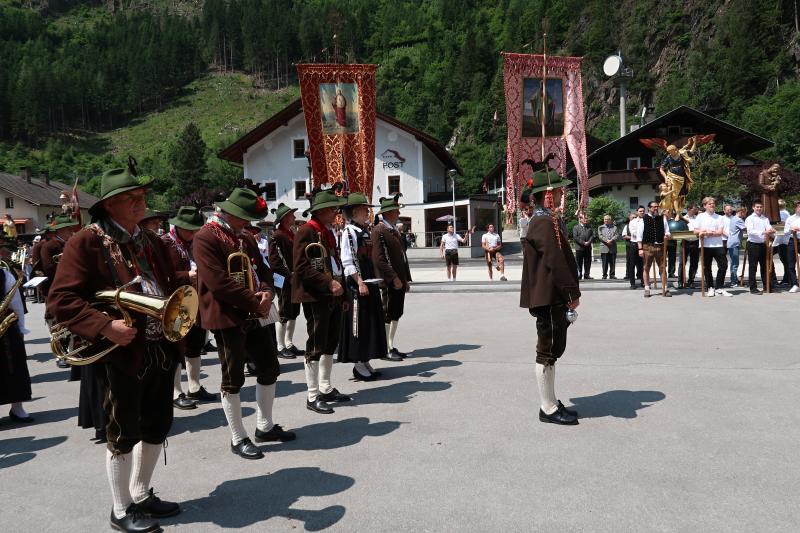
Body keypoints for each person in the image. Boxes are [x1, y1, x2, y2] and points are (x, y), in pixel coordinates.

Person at [48, 167, 183, 532]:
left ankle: (141, 494)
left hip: (160, 344)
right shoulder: (86, 241)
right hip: (119, 351)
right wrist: (106, 325)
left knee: (158, 423)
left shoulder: (151, 240)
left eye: (141, 194)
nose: (141, 201)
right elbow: (60, 300)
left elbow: (166, 284)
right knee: (122, 431)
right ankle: (121, 510)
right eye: (130, 197)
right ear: (109, 204)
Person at [194, 188, 293, 460]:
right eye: (245, 218)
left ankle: (265, 426)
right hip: (227, 316)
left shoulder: (245, 237)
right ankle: (238, 437)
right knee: (233, 377)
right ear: (231, 213)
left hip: (254, 311)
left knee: (270, 367)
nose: (248, 223)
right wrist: (255, 300)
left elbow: (262, 270)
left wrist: (267, 292)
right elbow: (217, 282)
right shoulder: (205, 237)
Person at [518, 169, 580, 425]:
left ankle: (551, 401)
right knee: (547, 351)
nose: (561, 193)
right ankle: (547, 407)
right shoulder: (542, 221)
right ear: (547, 195)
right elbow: (554, 260)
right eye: (557, 190)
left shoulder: (546, 218)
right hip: (550, 295)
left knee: (551, 352)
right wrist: (571, 292)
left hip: (551, 295)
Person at [294, 188, 350, 414]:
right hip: (316, 296)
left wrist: (343, 293)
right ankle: (312, 394)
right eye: (333, 209)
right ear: (323, 211)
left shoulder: (326, 231)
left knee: (330, 343)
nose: (336, 212)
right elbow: (301, 267)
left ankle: (325, 388)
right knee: (316, 344)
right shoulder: (306, 231)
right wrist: (328, 284)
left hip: (332, 294)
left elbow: (335, 263)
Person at [162, 206, 216, 409]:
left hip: (194, 300)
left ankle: (194, 386)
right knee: (177, 347)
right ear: (179, 226)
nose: (193, 233)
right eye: (190, 229)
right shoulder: (165, 243)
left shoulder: (194, 242)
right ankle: (176, 392)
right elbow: (162, 276)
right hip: (175, 301)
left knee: (194, 346)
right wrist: (187, 276)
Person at [339, 193, 388, 381]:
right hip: (357, 284)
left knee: (370, 321)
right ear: (355, 211)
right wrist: (359, 281)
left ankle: (365, 359)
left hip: (369, 281)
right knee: (358, 323)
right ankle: (358, 363)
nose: (367, 211)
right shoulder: (348, 232)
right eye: (364, 209)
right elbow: (347, 260)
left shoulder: (365, 230)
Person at [372, 194, 413, 361]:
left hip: (398, 279)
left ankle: (390, 345)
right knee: (388, 313)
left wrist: (405, 279)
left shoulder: (392, 229)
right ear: (388, 212)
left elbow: (402, 257)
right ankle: (385, 348)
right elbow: (379, 259)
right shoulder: (379, 230)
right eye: (396, 210)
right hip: (389, 281)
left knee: (396, 312)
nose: (398, 213)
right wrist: (394, 278)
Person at [41, 215, 80, 369]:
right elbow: (48, 269)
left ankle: (74, 353)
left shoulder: (70, 243)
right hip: (56, 290)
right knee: (58, 324)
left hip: (73, 288)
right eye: (68, 229)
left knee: (73, 323)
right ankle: (61, 355)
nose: (71, 231)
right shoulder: (49, 246)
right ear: (61, 230)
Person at [0, 241, 33, 424]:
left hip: (5, 329)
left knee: (14, 369)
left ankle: (17, 408)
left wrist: (20, 327)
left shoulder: (4, 275)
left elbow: (16, 304)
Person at [269, 203, 304, 359]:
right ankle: (280, 345)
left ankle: (289, 343)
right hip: (283, 279)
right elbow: (276, 261)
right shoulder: (277, 235)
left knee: (293, 311)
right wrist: (289, 276)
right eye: (291, 215)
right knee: (283, 311)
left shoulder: (290, 233)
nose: (294, 217)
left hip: (293, 278)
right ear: (284, 219)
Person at [691, 197, 731, 297]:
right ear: (704, 206)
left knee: (723, 265)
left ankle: (718, 287)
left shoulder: (719, 217)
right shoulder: (700, 217)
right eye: (709, 204)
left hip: (718, 245)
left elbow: (720, 232)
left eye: (713, 204)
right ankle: (710, 287)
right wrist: (702, 232)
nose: (712, 205)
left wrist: (709, 232)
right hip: (705, 245)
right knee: (706, 267)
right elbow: (695, 231)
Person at [636, 201, 672, 298]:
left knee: (663, 267)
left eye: (657, 207)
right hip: (648, 246)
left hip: (660, 246)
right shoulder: (643, 219)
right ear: (649, 208)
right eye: (654, 207)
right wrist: (640, 249)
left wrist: (667, 235)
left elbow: (667, 231)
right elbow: (639, 236)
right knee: (646, 267)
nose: (656, 208)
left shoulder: (662, 218)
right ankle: (647, 288)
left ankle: (665, 288)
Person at [744, 201, 775, 294]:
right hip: (753, 244)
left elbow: (768, 228)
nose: (759, 208)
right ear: (753, 207)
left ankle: (767, 286)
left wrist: (771, 230)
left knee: (764, 266)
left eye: (761, 207)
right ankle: (753, 288)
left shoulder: (765, 218)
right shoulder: (749, 218)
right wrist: (763, 232)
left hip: (763, 244)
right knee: (753, 267)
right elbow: (750, 231)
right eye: (757, 207)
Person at [678, 205, 700, 289]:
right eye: (694, 209)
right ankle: (680, 281)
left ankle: (691, 281)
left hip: (695, 241)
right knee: (682, 263)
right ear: (688, 209)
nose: (695, 210)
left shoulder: (698, 218)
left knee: (694, 263)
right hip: (685, 242)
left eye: (696, 209)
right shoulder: (682, 218)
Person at [727, 206, 747, 287]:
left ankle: (734, 280)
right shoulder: (739, 220)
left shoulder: (733, 218)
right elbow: (746, 229)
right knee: (735, 263)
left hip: (732, 242)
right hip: (734, 243)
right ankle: (734, 281)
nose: (745, 215)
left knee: (733, 263)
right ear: (741, 212)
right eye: (745, 213)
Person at [784, 200, 800, 293]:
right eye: (798, 207)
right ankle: (794, 284)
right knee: (791, 263)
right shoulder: (790, 218)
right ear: (796, 208)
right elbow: (785, 231)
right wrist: (791, 229)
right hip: (792, 240)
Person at [627, 207, 645, 289]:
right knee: (632, 264)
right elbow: (633, 233)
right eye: (640, 211)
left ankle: (643, 281)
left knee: (642, 265)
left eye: (643, 211)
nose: (642, 212)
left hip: (644, 245)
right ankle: (632, 283)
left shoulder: (646, 220)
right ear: (637, 212)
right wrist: (642, 235)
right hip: (634, 244)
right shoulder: (633, 222)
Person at [572, 214, 594, 280]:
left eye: (587, 218)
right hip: (579, 248)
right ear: (580, 219)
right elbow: (575, 237)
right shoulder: (576, 227)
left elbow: (592, 236)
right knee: (579, 262)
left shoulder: (589, 227)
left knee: (588, 261)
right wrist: (583, 242)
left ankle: (587, 275)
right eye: (584, 218)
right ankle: (579, 275)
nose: (586, 220)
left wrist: (588, 242)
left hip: (588, 247)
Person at [597, 214, 619, 279]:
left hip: (612, 247)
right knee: (604, 262)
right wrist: (607, 241)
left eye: (607, 219)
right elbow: (600, 236)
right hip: (604, 247)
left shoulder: (615, 227)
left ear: (610, 220)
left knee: (612, 262)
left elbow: (617, 235)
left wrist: (611, 240)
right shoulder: (600, 227)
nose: (606, 220)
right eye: (605, 219)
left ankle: (612, 275)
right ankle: (604, 275)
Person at [621, 212, 635, 281]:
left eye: (635, 217)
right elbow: (624, 236)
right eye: (633, 217)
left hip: (638, 246)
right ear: (629, 218)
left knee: (639, 262)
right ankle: (628, 275)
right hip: (629, 246)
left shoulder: (639, 225)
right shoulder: (627, 226)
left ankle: (639, 275)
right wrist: (632, 237)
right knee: (629, 261)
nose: (634, 219)